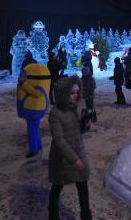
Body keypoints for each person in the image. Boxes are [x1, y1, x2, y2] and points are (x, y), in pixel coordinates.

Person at [48, 76, 92, 220]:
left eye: (77, 92)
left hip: (77, 153)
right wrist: (74, 160)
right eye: (72, 93)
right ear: (62, 94)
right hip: (63, 160)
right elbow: (59, 140)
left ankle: (86, 216)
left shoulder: (73, 109)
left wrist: (85, 124)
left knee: (83, 187)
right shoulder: (55, 114)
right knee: (57, 187)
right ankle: (53, 216)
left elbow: (76, 131)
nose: (76, 96)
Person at [16, 63, 51, 158]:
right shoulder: (39, 80)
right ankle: (38, 145)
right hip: (34, 108)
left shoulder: (31, 83)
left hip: (33, 108)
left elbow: (36, 93)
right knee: (34, 128)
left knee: (32, 130)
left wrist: (23, 84)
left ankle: (33, 149)